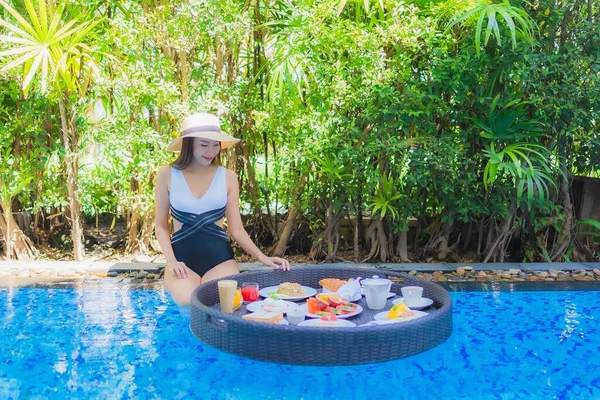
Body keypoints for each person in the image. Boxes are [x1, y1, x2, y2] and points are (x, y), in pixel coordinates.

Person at [154, 112, 290, 305]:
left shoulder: (228, 176)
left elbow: (236, 229)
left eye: (215, 144)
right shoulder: (167, 174)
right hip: (181, 261)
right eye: (204, 144)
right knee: (187, 302)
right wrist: (171, 261)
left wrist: (263, 257)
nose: (211, 150)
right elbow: (160, 226)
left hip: (220, 260)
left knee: (222, 302)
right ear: (188, 143)